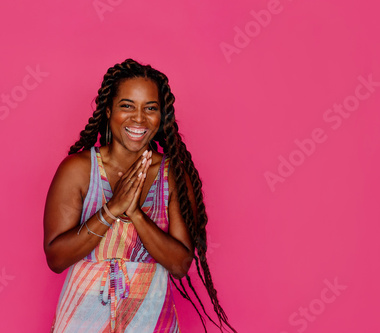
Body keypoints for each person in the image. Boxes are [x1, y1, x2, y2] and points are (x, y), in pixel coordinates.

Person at [43, 58, 236, 333]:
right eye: (127, 106)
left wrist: (134, 213)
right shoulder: (78, 170)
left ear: (162, 116)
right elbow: (56, 258)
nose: (139, 118)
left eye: (151, 108)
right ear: (108, 111)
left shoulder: (172, 175)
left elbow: (180, 264)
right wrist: (111, 210)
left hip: (152, 320)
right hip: (81, 320)